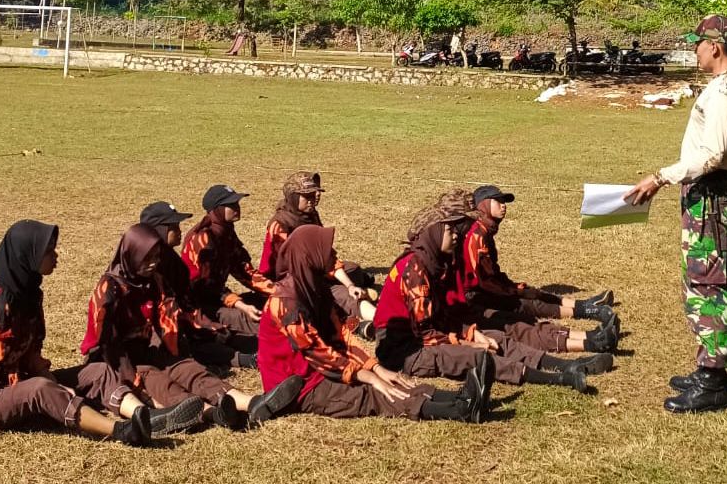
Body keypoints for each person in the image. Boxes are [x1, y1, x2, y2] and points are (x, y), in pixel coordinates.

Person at [0, 220, 197, 445]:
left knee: (97, 371)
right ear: (28, 256)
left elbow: (31, 354)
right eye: (48, 251)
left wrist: (52, 380)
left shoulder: (29, 294)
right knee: (40, 389)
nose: (56, 256)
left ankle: (145, 416)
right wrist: (53, 388)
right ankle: (121, 430)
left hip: (19, 383)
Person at [625, 15, 727, 413]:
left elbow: (712, 156)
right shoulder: (722, 86)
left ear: (714, 46)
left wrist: (660, 177)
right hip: (703, 194)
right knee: (698, 280)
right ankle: (707, 367)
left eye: (697, 44)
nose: (694, 51)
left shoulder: (726, 89)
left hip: (711, 195)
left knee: (708, 283)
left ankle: (712, 381)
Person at [258, 224, 490, 423]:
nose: (335, 254)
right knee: (374, 394)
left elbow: (342, 337)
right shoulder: (285, 303)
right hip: (297, 386)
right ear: (310, 255)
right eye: (327, 250)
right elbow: (319, 353)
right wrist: (368, 376)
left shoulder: (315, 288)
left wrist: (375, 368)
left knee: (396, 382)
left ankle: (460, 398)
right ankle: (461, 410)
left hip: (319, 372)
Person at [82, 223, 301, 429]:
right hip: (117, 361)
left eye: (156, 257)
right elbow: (107, 344)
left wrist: (180, 350)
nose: (153, 263)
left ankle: (252, 402)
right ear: (132, 254)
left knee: (189, 370)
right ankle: (210, 413)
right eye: (147, 258)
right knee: (158, 381)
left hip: (149, 349)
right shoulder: (108, 289)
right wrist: (133, 379)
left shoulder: (153, 280)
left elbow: (169, 316)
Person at [375, 204, 612, 392]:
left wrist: (468, 333)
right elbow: (425, 334)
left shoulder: (432, 263)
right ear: (433, 234)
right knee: (476, 355)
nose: (457, 234)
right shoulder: (415, 270)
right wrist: (466, 342)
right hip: (404, 350)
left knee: (496, 337)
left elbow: (440, 317)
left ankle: (564, 364)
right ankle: (557, 378)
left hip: (431, 331)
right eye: (449, 230)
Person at [448, 185, 619, 353]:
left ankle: (585, 307)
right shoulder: (476, 236)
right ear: (483, 205)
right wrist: (513, 291)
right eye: (498, 201)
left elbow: (493, 274)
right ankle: (588, 318)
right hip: (475, 298)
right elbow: (484, 281)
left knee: (529, 294)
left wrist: (513, 288)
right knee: (523, 307)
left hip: (481, 294)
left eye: (504, 201)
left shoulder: (485, 232)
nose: (504, 205)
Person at [140, 200, 257, 369]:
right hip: (159, 327)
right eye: (174, 227)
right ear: (160, 230)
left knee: (216, 332)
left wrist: (202, 322)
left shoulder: (173, 261)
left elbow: (186, 298)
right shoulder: (143, 265)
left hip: (191, 312)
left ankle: (254, 354)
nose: (180, 231)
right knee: (188, 344)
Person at [261, 171, 377, 328]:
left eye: (314, 194)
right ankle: (372, 320)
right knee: (334, 293)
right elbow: (282, 266)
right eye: (307, 196)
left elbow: (326, 255)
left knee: (353, 271)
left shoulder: (310, 214)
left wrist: (350, 285)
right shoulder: (280, 224)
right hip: (294, 280)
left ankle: (354, 288)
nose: (313, 200)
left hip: (318, 269)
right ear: (293, 197)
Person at [181, 185, 274, 336]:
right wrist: (237, 303)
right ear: (216, 210)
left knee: (269, 304)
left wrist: (275, 291)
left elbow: (244, 270)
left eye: (236, 203)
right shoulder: (203, 239)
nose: (237, 208)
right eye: (230, 205)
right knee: (256, 323)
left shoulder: (227, 232)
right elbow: (202, 287)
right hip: (199, 307)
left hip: (219, 298)